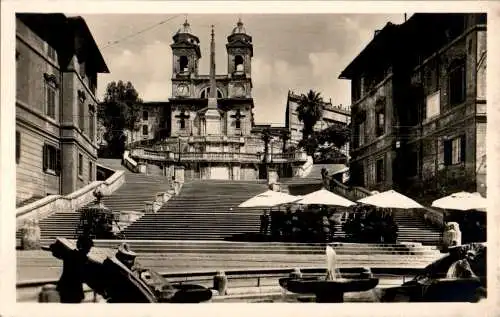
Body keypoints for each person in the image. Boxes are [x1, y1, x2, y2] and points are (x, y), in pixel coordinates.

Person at [56, 234, 93, 303]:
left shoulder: (70, 254)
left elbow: (55, 250)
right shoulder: (83, 259)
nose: (89, 251)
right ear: (85, 247)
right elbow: (82, 275)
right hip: (74, 290)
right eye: (88, 248)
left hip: (64, 288)